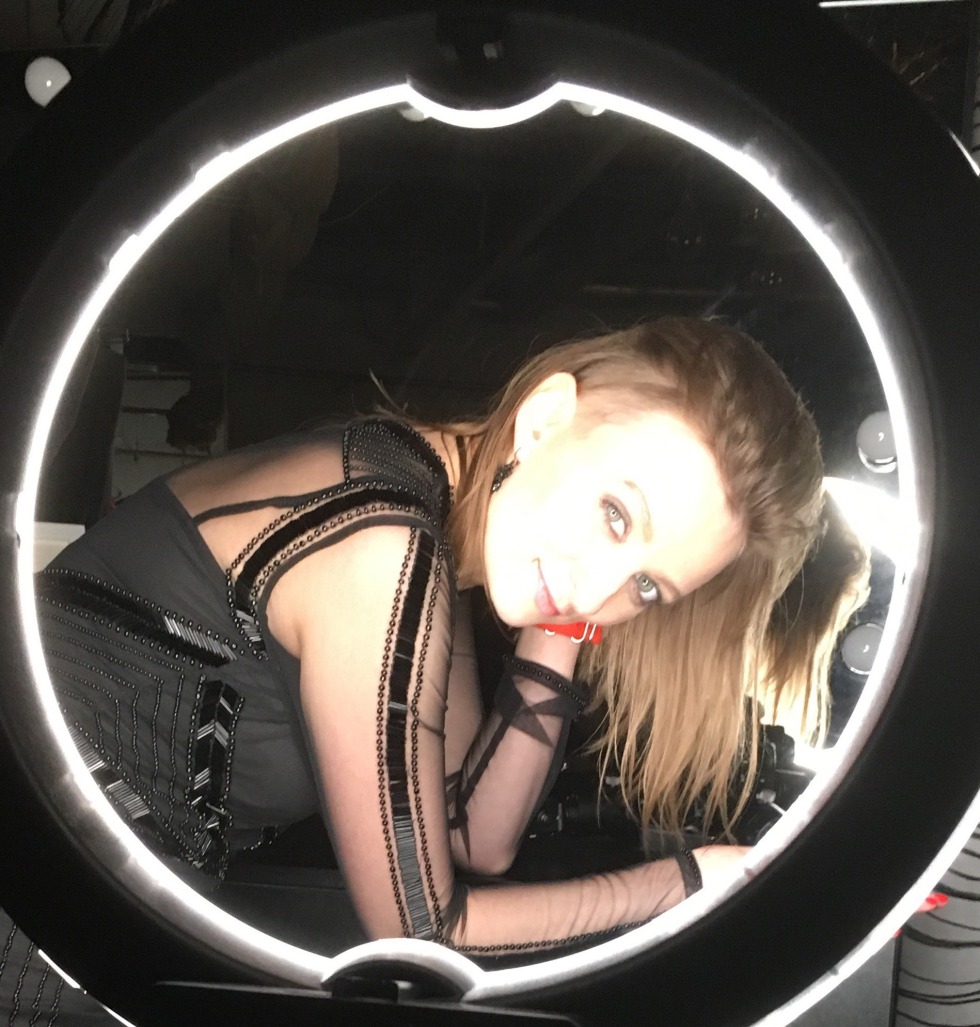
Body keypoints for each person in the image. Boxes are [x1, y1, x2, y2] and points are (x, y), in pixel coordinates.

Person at [3, 317, 868, 1019]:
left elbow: (473, 835)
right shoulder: (384, 549)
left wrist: (565, 616)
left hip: (68, 908)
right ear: (542, 421)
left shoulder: (424, 515)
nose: (602, 586)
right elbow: (422, 937)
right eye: (614, 513)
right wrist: (689, 882)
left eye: (647, 585)